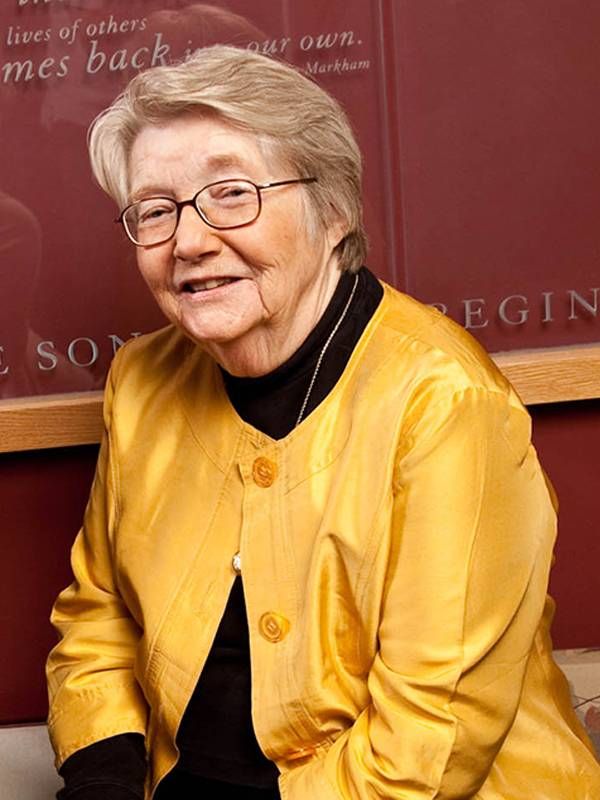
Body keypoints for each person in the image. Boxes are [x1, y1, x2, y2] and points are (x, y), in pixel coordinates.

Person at [46, 45, 600, 800]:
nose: (190, 241)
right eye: (156, 210)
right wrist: (103, 780)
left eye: (231, 193)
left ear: (333, 209)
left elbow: (426, 749)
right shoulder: (141, 382)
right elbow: (98, 621)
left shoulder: (444, 403)